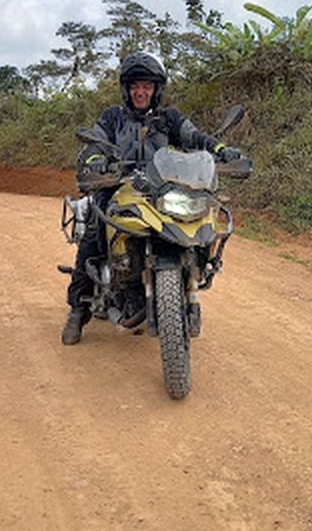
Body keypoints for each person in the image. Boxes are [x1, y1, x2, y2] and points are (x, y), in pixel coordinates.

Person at [62, 51, 243, 345]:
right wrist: (96, 161)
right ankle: (78, 309)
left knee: (191, 218)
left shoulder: (168, 118)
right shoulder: (113, 117)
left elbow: (196, 138)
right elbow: (95, 144)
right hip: (117, 185)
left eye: (146, 86)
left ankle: (190, 272)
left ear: (156, 89)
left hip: (160, 188)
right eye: (135, 86)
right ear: (126, 89)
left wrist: (221, 150)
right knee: (94, 232)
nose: (140, 92)